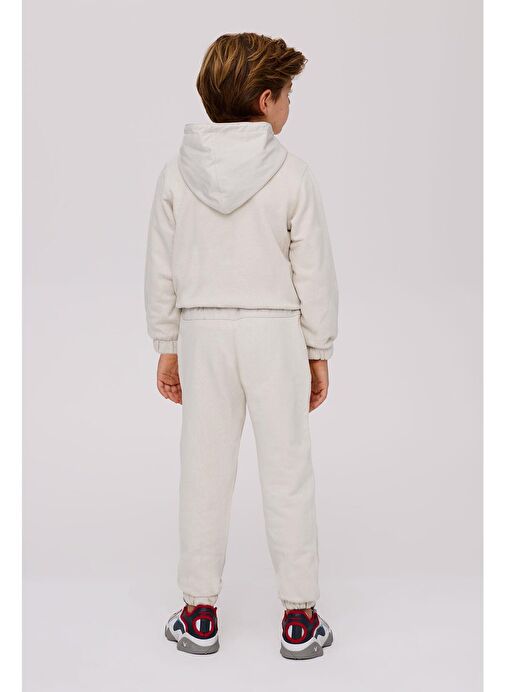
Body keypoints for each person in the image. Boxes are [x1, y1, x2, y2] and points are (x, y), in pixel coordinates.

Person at [144, 32, 338, 660]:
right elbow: (314, 271)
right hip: (275, 332)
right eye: (286, 95)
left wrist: (167, 343)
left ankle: (198, 612)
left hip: (202, 332)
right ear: (264, 100)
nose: (290, 106)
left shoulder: (177, 173)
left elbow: (162, 268)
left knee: (203, 471)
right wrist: (317, 349)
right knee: (288, 472)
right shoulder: (292, 174)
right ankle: (300, 617)